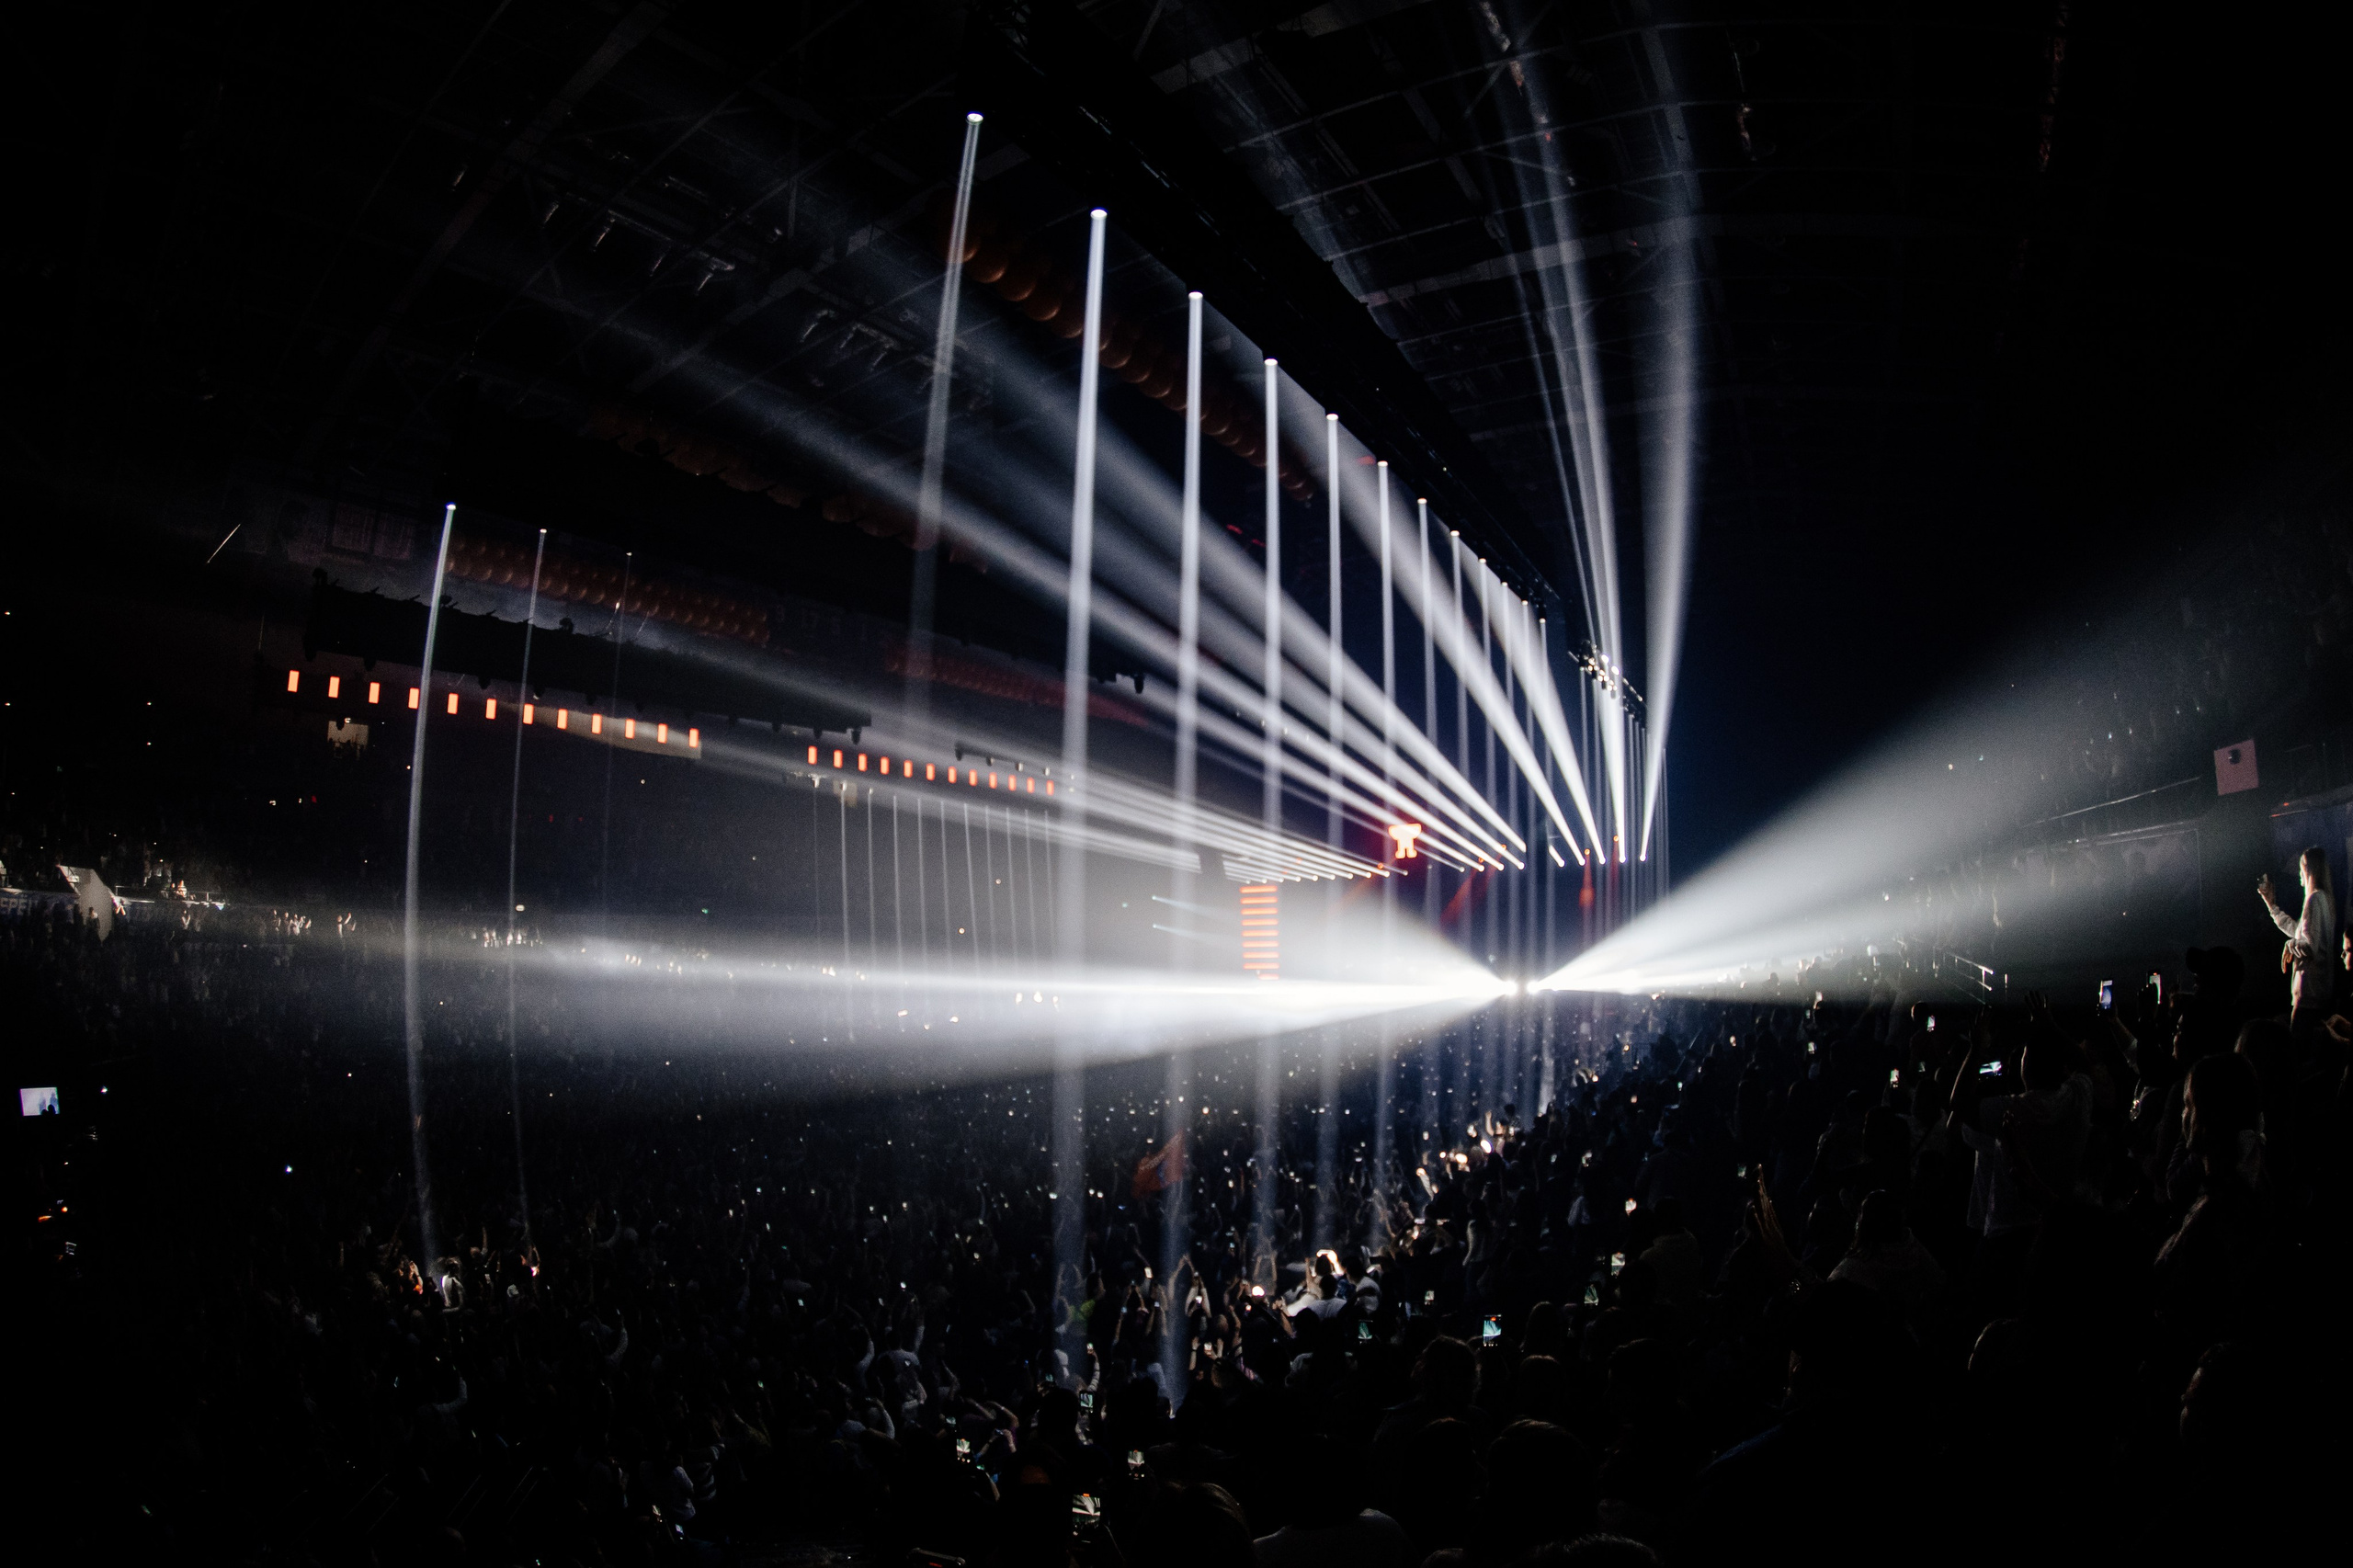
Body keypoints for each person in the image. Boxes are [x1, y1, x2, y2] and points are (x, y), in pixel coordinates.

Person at [2257, 846, 2336, 1032]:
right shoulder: (2323, 899)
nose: (2298, 873)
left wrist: (2290, 944)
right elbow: (2298, 932)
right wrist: (2271, 906)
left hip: (2309, 995)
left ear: (2307, 869)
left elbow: (2309, 947)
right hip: (2316, 994)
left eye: (2300, 868)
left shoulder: (2314, 899)